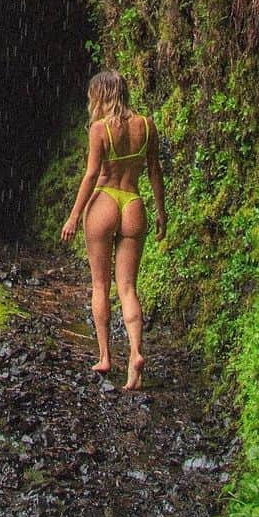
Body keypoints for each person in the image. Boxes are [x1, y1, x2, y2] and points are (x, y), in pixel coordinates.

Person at [61, 70, 167, 390]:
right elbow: (154, 171)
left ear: (101, 95)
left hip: (104, 202)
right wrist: (161, 212)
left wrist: (74, 215)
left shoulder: (100, 129)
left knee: (100, 284)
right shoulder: (146, 125)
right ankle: (135, 354)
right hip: (133, 202)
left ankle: (106, 356)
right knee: (128, 288)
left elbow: (92, 175)